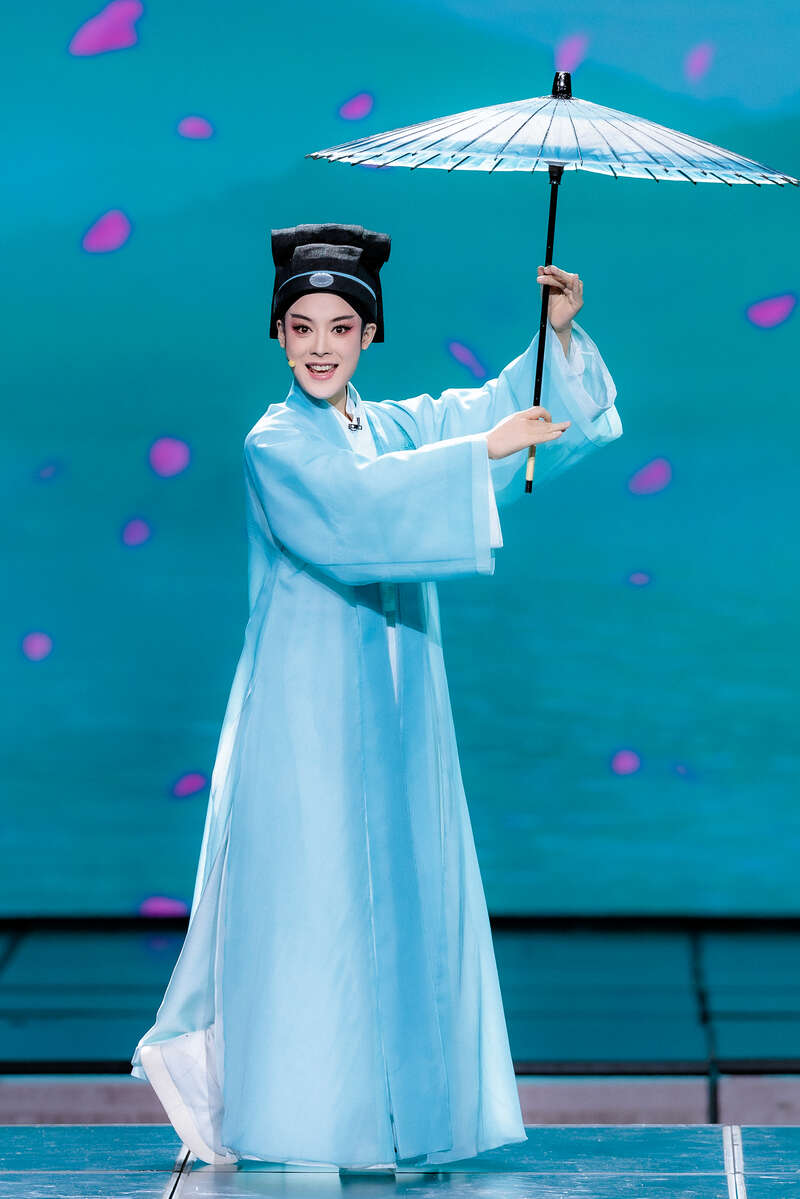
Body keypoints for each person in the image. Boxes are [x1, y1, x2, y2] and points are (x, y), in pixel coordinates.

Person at [130, 222, 623, 1171]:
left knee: (400, 900)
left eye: (341, 327)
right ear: (278, 334)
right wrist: (481, 451)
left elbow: (475, 411)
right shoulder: (276, 441)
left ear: (368, 335)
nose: (321, 345)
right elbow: (357, 509)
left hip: (395, 716)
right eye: (302, 326)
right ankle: (304, 1123)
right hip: (306, 724)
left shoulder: (381, 426)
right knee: (316, 911)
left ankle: (396, 1123)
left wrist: (552, 337)